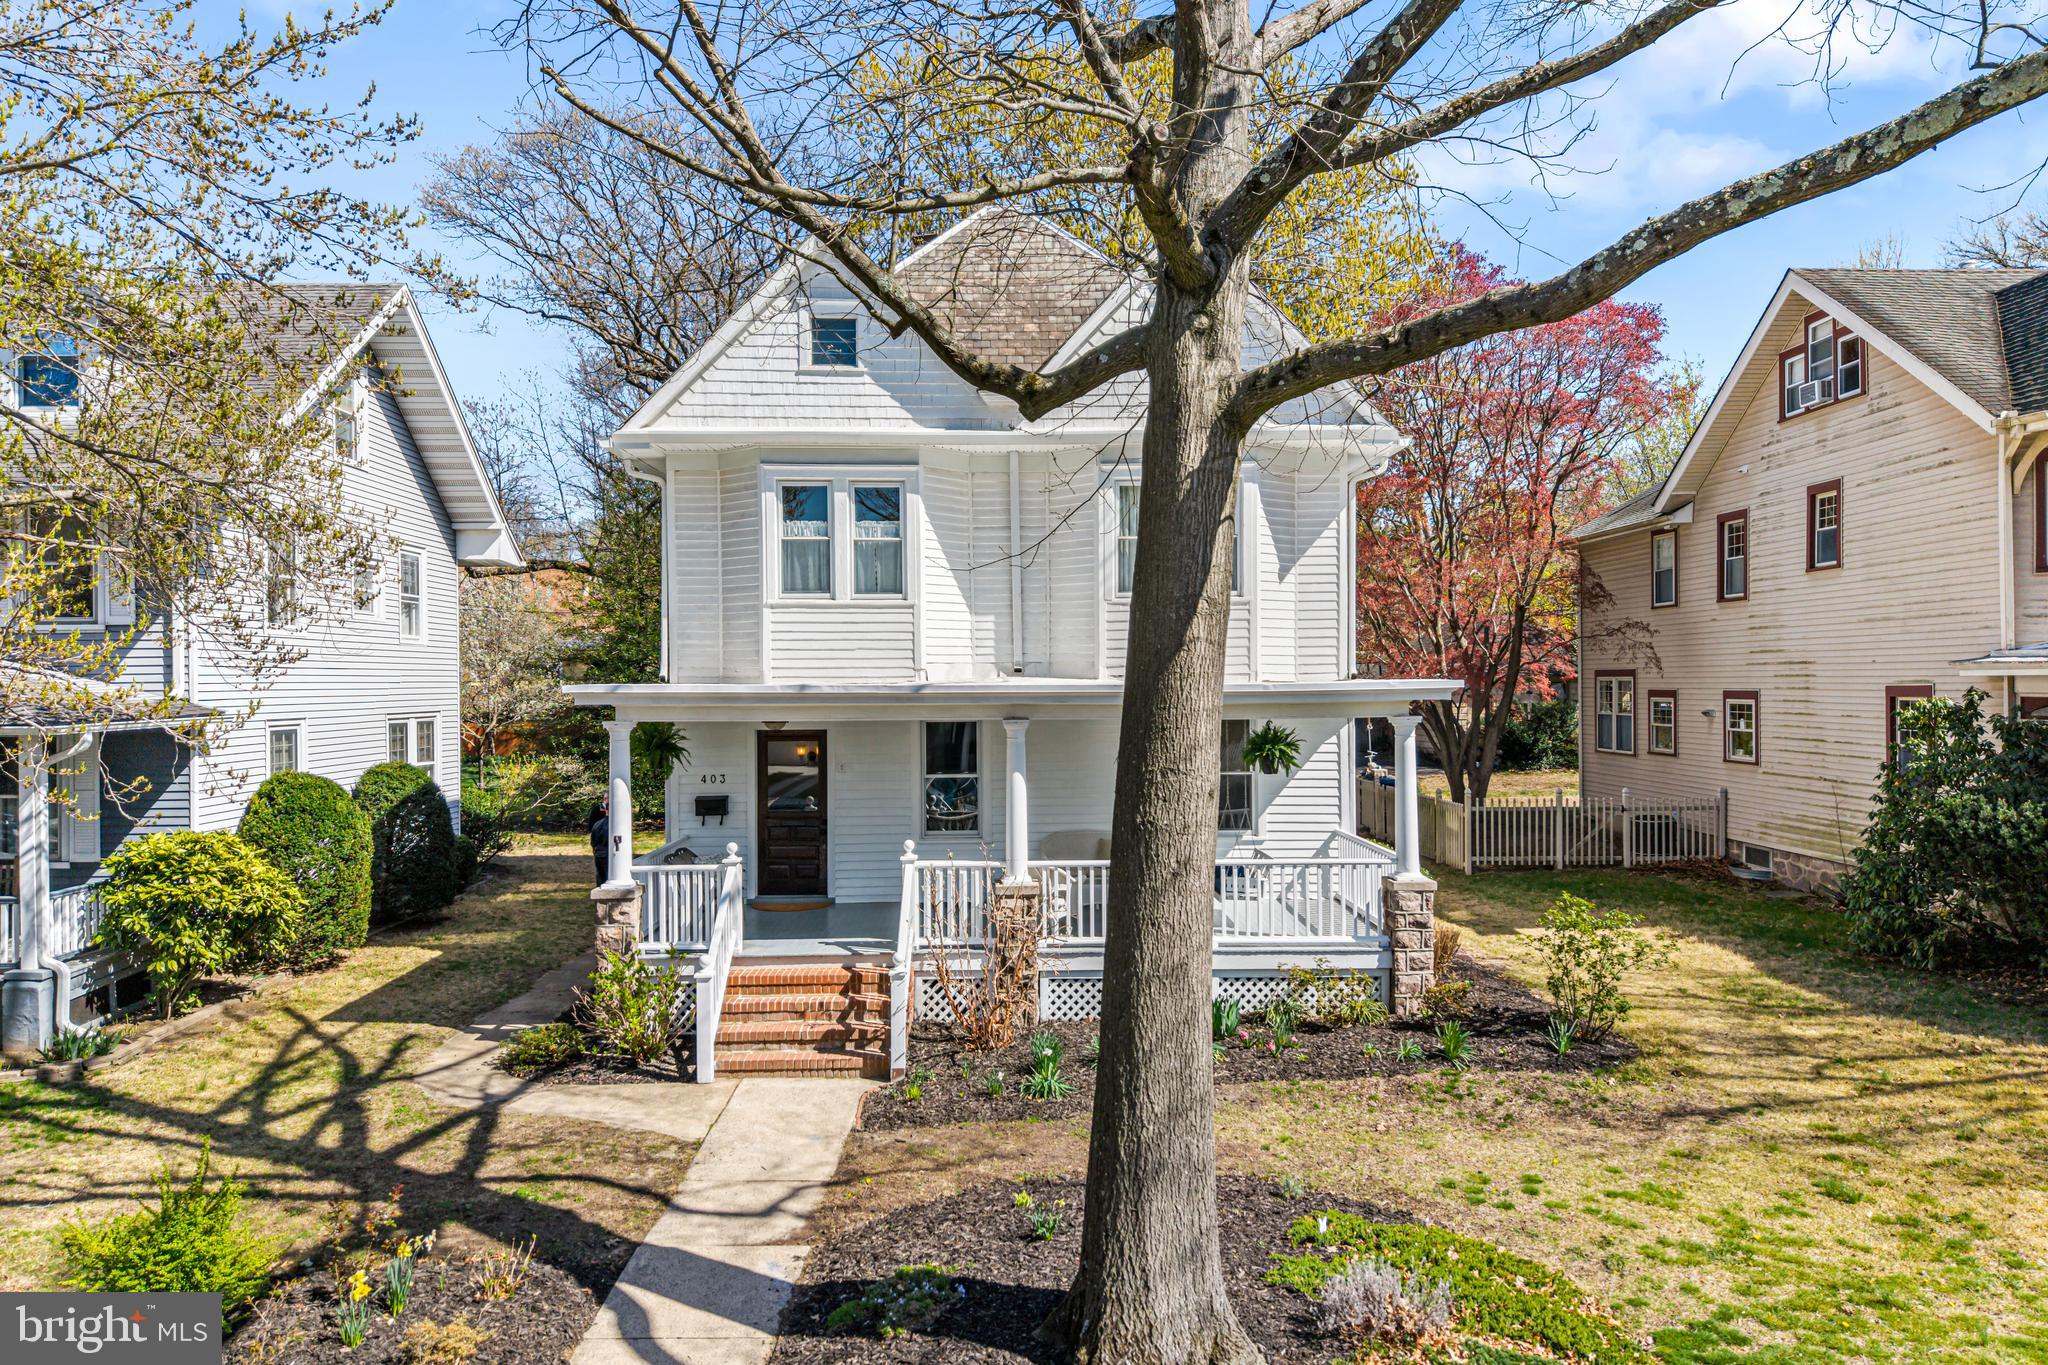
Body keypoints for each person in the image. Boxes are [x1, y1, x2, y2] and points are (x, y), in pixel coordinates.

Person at [588, 798, 609, 886]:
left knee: (601, 879)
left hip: (599, 854)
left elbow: (593, 842)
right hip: (606, 854)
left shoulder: (597, 824)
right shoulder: (614, 825)